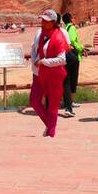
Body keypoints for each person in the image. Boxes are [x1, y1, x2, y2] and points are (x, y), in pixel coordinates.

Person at [28, 9, 70, 138]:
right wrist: (36, 61)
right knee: (34, 101)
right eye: (42, 20)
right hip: (39, 73)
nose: (42, 23)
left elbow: (63, 58)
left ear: (53, 22)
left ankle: (51, 132)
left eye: (45, 21)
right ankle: (50, 126)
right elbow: (34, 48)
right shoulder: (40, 33)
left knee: (53, 104)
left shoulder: (60, 35)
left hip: (54, 74)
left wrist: (44, 62)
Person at [60, 12, 84, 117]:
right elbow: (73, 41)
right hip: (73, 56)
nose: (74, 19)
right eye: (73, 17)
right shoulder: (72, 28)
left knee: (66, 80)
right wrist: (81, 49)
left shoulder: (65, 29)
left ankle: (67, 102)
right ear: (70, 19)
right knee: (72, 79)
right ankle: (70, 102)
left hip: (65, 57)